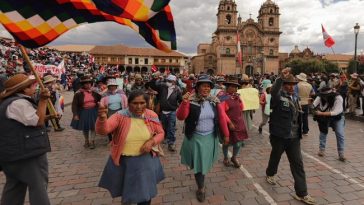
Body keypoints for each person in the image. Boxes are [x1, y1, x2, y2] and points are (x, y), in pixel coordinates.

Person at [96, 90, 165, 205]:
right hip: (125, 162)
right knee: (127, 192)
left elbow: (161, 133)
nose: (139, 106)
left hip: (146, 161)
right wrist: (102, 118)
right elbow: (103, 130)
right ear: (128, 103)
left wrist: (151, 142)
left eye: (142, 103)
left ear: (146, 103)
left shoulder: (151, 115)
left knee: (145, 193)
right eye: (135, 103)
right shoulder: (119, 116)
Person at [265, 68, 315, 205]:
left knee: (298, 164)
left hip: (294, 137)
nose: (291, 86)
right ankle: (270, 173)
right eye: (288, 84)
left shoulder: (295, 97)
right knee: (276, 156)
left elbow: (298, 115)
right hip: (279, 135)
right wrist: (281, 77)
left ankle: (302, 193)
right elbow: (274, 90)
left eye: (293, 84)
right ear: (283, 85)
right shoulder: (277, 96)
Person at [0, 74, 52, 205]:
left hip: (13, 154)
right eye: (33, 85)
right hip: (27, 154)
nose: (36, 86)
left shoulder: (10, 102)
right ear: (24, 89)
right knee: (38, 186)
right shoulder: (18, 103)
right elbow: (38, 121)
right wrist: (43, 100)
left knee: (15, 188)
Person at [177, 74, 229, 202]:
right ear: (198, 87)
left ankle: (201, 181)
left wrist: (226, 134)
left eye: (208, 86)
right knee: (199, 165)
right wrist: (184, 103)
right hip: (195, 137)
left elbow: (222, 118)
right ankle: (200, 188)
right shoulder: (190, 100)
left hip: (210, 137)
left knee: (204, 163)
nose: (206, 89)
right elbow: (181, 117)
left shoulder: (214, 101)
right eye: (203, 86)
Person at [219, 76, 248, 168]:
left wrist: (239, 99)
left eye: (235, 87)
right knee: (226, 142)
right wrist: (229, 123)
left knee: (238, 142)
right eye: (232, 86)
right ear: (227, 87)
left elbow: (242, 108)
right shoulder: (223, 98)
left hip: (239, 123)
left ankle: (234, 157)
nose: (234, 88)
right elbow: (222, 113)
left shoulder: (237, 97)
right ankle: (225, 157)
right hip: (228, 124)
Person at [312, 86, 346, 161]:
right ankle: (322, 149)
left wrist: (321, 113)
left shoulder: (338, 98)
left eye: (325, 96)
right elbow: (313, 105)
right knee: (323, 132)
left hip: (337, 117)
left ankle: (341, 153)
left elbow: (336, 112)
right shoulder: (320, 96)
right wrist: (311, 107)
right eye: (322, 96)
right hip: (324, 117)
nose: (323, 97)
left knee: (340, 133)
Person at [71, 76, 101, 149]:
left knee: (94, 127)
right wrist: (75, 114)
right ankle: (86, 140)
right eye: (86, 84)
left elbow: (101, 98)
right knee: (85, 127)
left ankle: (92, 141)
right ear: (83, 85)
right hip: (84, 112)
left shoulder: (95, 92)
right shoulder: (78, 93)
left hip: (94, 111)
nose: (88, 85)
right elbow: (74, 105)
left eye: (89, 83)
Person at [155, 75, 182, 152]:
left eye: (170, 81)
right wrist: (159, 78)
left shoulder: (177, 90)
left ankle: (171, 143)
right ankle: (166, 138)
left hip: (172, 111)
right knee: (164, 126)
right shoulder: (163, 87)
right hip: (163, 111)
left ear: (174, 82)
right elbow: (155, 85)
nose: (168, 82)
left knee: (171, 127)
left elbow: (180, 100)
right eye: (167, 80)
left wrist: (179, 106)